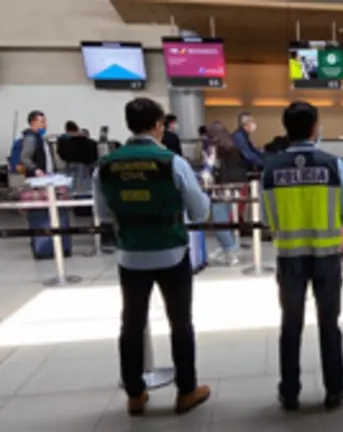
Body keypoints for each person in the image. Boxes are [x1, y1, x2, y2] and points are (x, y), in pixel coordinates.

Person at [93, 97, 211, 416]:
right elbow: (199, 211)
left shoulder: (106, 165)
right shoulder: (171, 161)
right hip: (171, 251)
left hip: (130, 255)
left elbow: (103, 214)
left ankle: (135, 393)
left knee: (131, 324)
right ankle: (186, 391)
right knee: (180, 323)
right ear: (158, 126)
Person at [260, 101, 343, 411]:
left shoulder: (271, 169)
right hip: (327, 255)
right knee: (329, 323)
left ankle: (289, 392)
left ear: (286, 129)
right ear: (315, 128)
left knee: (290, 325)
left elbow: (265, 219)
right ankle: (334, 389)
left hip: (289, 258)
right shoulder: (332, 164)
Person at [206, 121, 245, 266]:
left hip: (221, 188)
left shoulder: (217, 149)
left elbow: (211, 168)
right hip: (234, 189)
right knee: (224, 220)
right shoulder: (232, 147)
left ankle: (230, 250)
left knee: (219, 221)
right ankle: (228, 248)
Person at [57, 121, 99, 192]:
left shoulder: (63, 141)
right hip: (87, 167)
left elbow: (61, 154)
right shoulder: (91, 142)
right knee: (87, 187)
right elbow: (94, 156)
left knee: (71, 188)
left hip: (70, 166)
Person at [20, 110, 53, 177]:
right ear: (33, 123)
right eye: (42, 122)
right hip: (37, 177)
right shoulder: (30, 138)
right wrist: (35, 169)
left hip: (46, 174)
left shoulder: (40, 137)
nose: (45, 125)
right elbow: (24, 157)